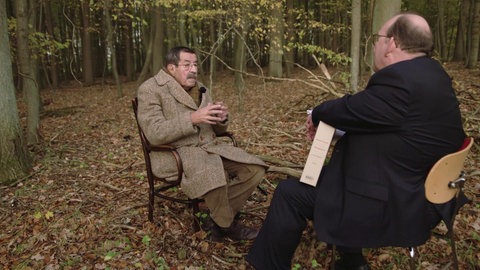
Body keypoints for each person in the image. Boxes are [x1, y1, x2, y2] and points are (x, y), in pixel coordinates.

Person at [246, 12, 466, 270]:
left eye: (378, 38)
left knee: (289, 193)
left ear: (392, 43)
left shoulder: (401, 81)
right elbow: (394, 126)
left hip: (400, 204)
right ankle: (352, 260)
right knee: (331, 178)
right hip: (421, 190)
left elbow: (348, 108)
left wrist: (316, 114)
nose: (374, 44)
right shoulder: (434, 75)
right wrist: (342, 131)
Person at [136, 46, 267, 242]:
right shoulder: (150, 89)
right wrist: (192, 118)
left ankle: (217, 216)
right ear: (171, 68)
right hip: (174, 154)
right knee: (213, 173)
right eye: (187, 65)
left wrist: (221, 119)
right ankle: (226, 227)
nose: (194, 69)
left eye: (195, 64)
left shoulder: (201, 88)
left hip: (210, 148)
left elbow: (217, 130)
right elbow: (154, 133)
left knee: (255, 169)